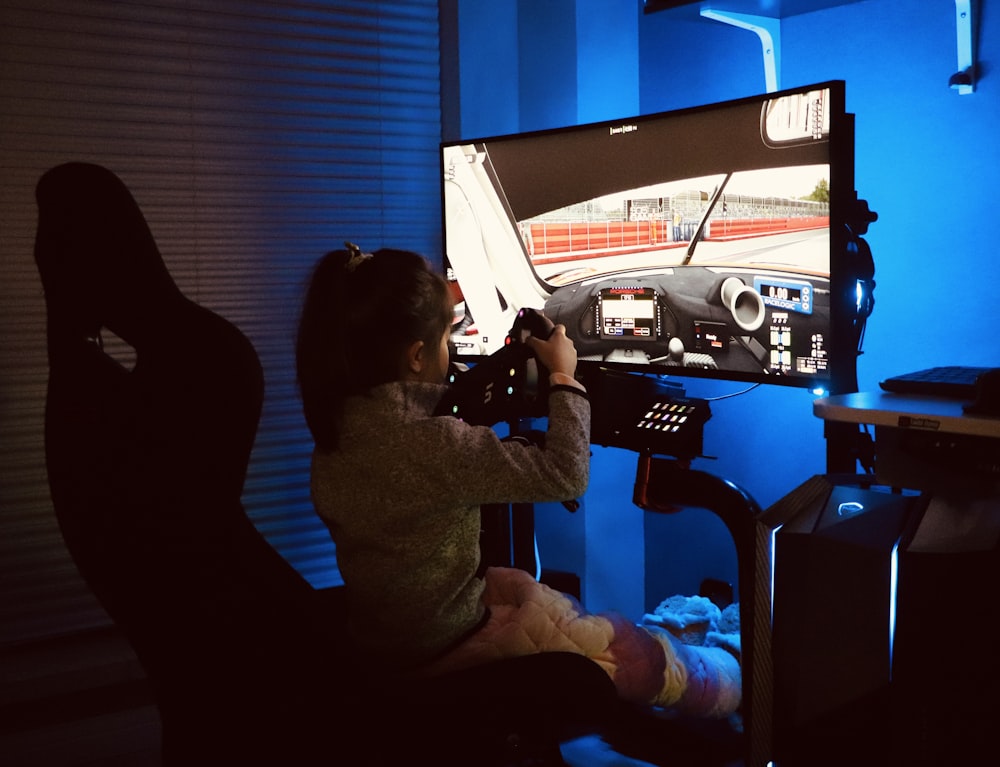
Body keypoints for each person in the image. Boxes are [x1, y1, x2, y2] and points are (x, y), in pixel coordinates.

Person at [295, 245, 741, 718]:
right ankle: (719, 675)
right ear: (417, 356)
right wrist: (564, 377)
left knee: (531, 590)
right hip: (452, 643)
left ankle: (683, 641)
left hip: (392, 640)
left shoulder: (337, 439)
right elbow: (567, 476)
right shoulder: (437, 445)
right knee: (621, 649)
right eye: (449, 338)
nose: (452, 349)